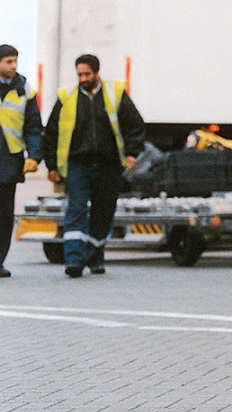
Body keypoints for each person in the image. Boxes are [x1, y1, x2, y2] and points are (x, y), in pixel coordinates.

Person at [41, 54, 145, 278]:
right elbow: (51, 132)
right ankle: (74, 261)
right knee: (76, 210)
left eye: (87, 74)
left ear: (97, 73)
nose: (83, 78)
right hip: (78, 163)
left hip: (108, 164)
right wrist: (51, 165)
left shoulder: (114, 93)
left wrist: (132, 153)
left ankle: (95, 257)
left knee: (103, 213)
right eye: (80, 74)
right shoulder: (67, 96)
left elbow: (134, 125)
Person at [0, 45, 44, 279]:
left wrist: (35, 156)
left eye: (15, 61)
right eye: (8, 61)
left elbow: (33, 127)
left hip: (9, 161)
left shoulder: (24, 90)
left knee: (4, 216)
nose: (14, 66)